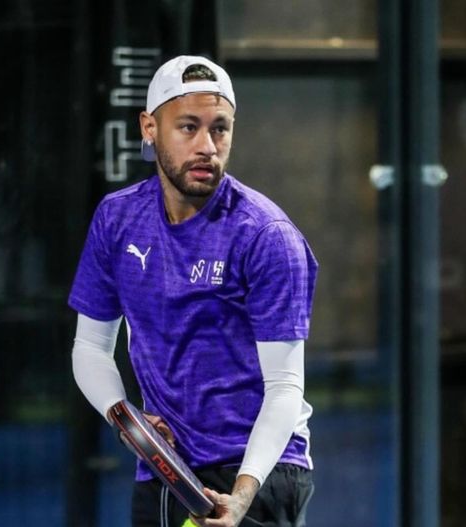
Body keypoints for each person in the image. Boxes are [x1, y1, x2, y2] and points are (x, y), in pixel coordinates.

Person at [68, 55, 318, 527]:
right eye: (188, 127)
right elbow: (90, 348)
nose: (207, 146)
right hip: (163, 470)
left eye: (219, 129)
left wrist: (241, 496)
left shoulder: (267, 236)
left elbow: (285, 387)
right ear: (149, 128)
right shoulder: (116, 219)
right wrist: (124, 418)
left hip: (256, 473)